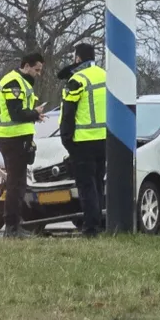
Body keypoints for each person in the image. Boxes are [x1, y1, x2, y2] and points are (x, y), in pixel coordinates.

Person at [0, 52, 47, 238]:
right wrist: (34, 113)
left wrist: (34, 115)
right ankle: (12, 228)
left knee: (18, 183)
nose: (38, 74)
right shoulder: (13, 83)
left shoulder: (21, 82)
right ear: (26, 66)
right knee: (15, 185)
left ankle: (15, 226)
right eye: (36, 70)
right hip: (11, 139)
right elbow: (15, 113)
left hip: (17, 138)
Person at [59, 43, 106, 238]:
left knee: (86, 187)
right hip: (103, 140)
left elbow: (68, 112)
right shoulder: (105, 75)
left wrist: (66, 139)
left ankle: (90, 228)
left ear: (78, 58)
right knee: (98, 183)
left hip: (83, 141)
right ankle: (100, 223)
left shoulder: (77, 80)